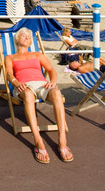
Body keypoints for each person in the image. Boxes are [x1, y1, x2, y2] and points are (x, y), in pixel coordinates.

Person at [5, 27, 73, 163]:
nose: (27, 38)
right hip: (24, 87)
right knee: (29, 95)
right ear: (17, 39)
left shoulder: (37, 55)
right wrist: (17, 84)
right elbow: (8, 74)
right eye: (24, 36)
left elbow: (51, 70)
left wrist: (52, 82)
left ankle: (62, 141)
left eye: (29, 37)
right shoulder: (10, 57)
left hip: (42, 84)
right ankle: (38, 141)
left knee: (57, 93)